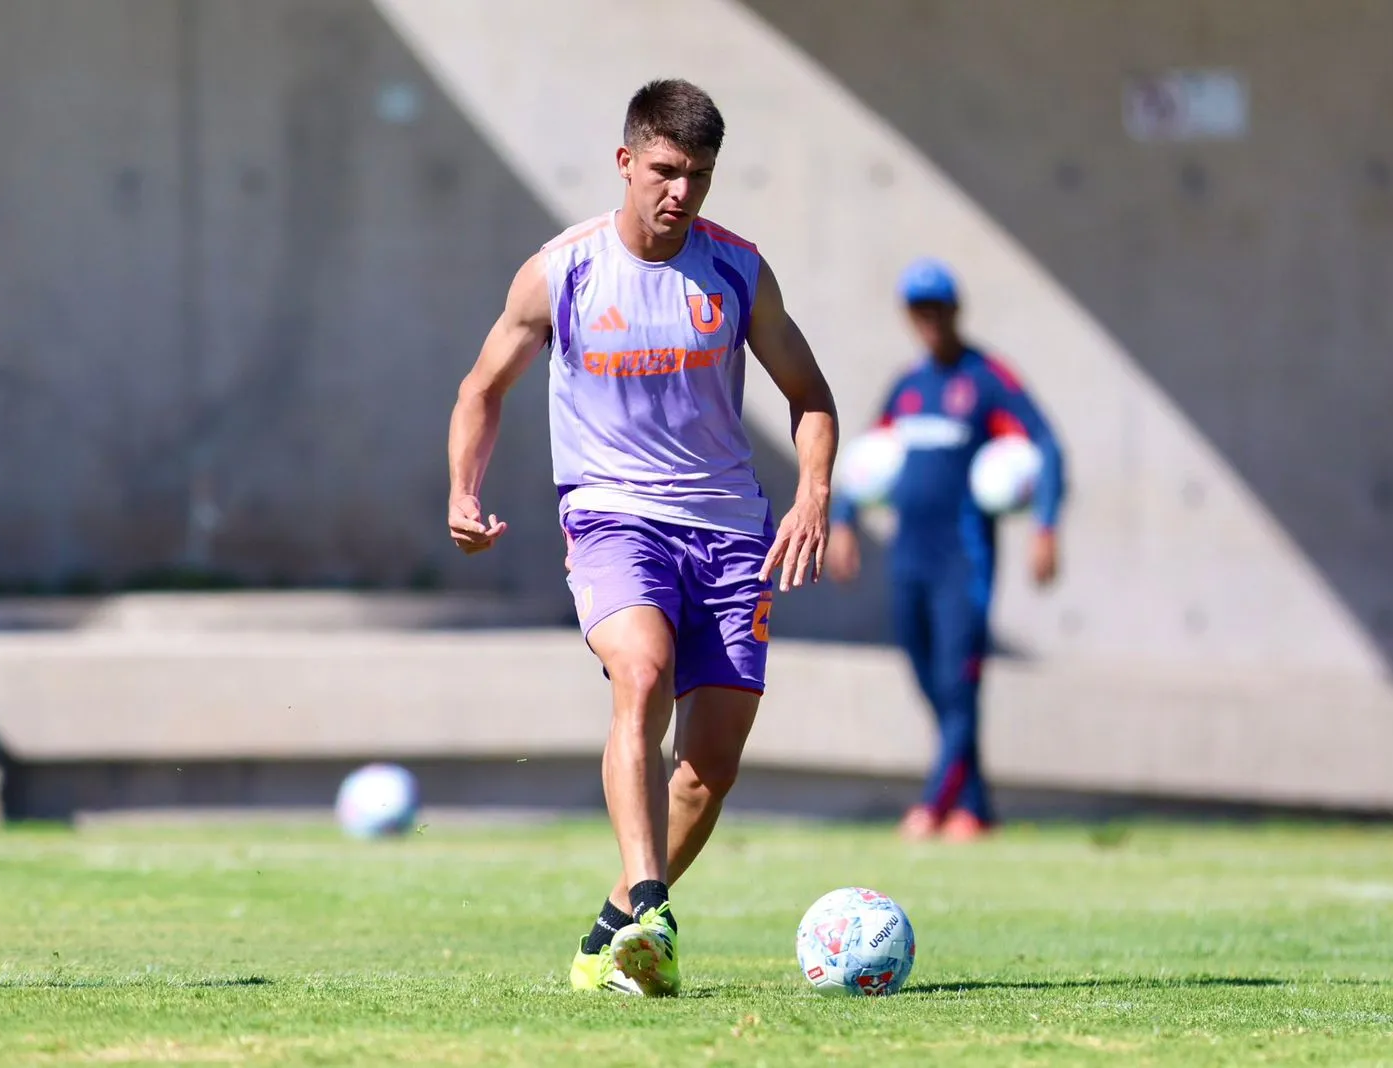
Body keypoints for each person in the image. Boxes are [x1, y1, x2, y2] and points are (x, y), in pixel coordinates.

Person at [447, 79, 838, 997]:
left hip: (732, 530)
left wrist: (812, 494)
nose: (680, 192)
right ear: (626, 162)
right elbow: (481, 389)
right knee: (644, 673)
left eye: (697, 176)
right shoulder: (563, 271)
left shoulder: (738, 270)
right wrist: (463, 491)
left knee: (707, 774)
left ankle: (615, 927)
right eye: (664, 170)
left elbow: (809, 397)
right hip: (612, 512)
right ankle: (656, 905)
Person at [826, 258, 1066, 842]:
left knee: (959, 683)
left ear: (956, 309)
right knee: (928, 676)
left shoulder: (987, 380)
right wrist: (843, 521)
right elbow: (867, 456)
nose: (929, 318)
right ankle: (977, 806)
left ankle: (933, 806)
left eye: (937, 306)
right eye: (918, 308)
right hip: (909, 557)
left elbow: (1048, 446)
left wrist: (1045, 526)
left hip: (964, 562)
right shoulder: (908, 387)